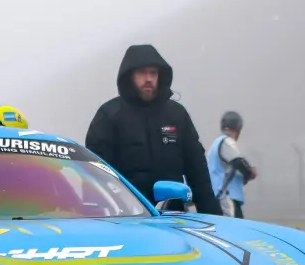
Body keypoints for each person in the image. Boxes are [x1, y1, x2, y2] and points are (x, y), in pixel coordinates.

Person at [83, 45, 221, 213]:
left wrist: (213, 214)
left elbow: (197, 169)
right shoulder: (109, 115)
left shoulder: (176, 114)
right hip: (126, 218)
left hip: (174, 216)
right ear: (130, 75)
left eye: (153, 73)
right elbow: (94, 173)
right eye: (142, 73)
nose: (148, 79)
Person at [206, 110, 256, 218]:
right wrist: (250, 173)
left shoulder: (216, 144)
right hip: (226, 197)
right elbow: (239, 162)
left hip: (218, 197)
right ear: (238, 128)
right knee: (235, 231)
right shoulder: (226, 141)